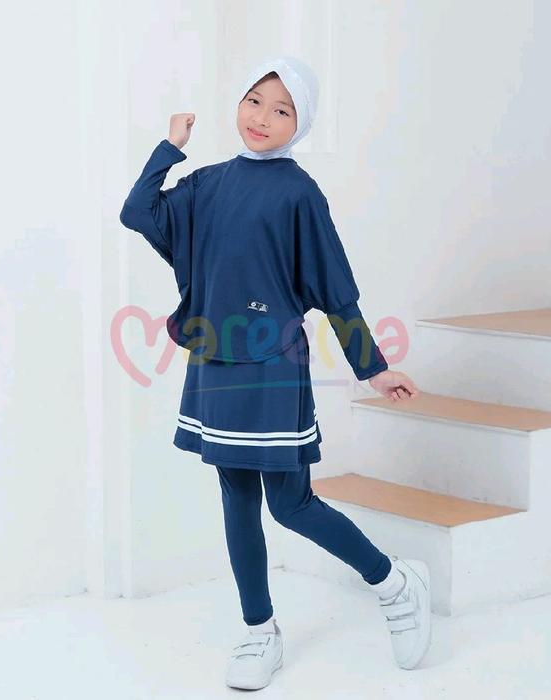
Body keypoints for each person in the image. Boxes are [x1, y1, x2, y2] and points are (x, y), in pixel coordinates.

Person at [119, 55, 432, 690]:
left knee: (291, 505)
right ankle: (259, 630)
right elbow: (138, 211)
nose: (263, 117)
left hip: (273, 366)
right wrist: (169, 148)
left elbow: (335, 291)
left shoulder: (298, 194)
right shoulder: (206, 183)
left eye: (282, 110)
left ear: (299, 124)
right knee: (236, 500)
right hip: (215, 361)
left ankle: (394, 582)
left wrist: (372, 368)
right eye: (255, 101)